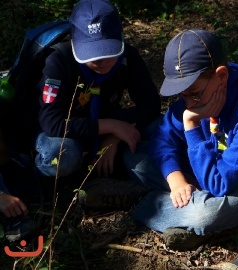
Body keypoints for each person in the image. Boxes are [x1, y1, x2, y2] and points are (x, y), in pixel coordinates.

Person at [124, 29, 238, 250]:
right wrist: (175, 179)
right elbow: (163, 136)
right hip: (219, 166)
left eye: (194, 95)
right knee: (132, 157)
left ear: (221, 75)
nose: (189, 102)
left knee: (204, 213)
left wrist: (191, 125)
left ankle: (141, 202)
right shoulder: (197, 87)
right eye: (182, 96)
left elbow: (218, 184)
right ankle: (180, 201)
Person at [35, 0, 161, 181]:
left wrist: (114, 136)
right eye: (92, 55)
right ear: (75, 43)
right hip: (63, 134)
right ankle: (59, 175)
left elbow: (151, 105)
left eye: (109, 52)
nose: (102, 62)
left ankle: (120, 163)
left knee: (162, 125)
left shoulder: (128, 58)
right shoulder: (58, 61)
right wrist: (112, 126)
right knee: (62, 155)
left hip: (106, 124)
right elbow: (52, 123)